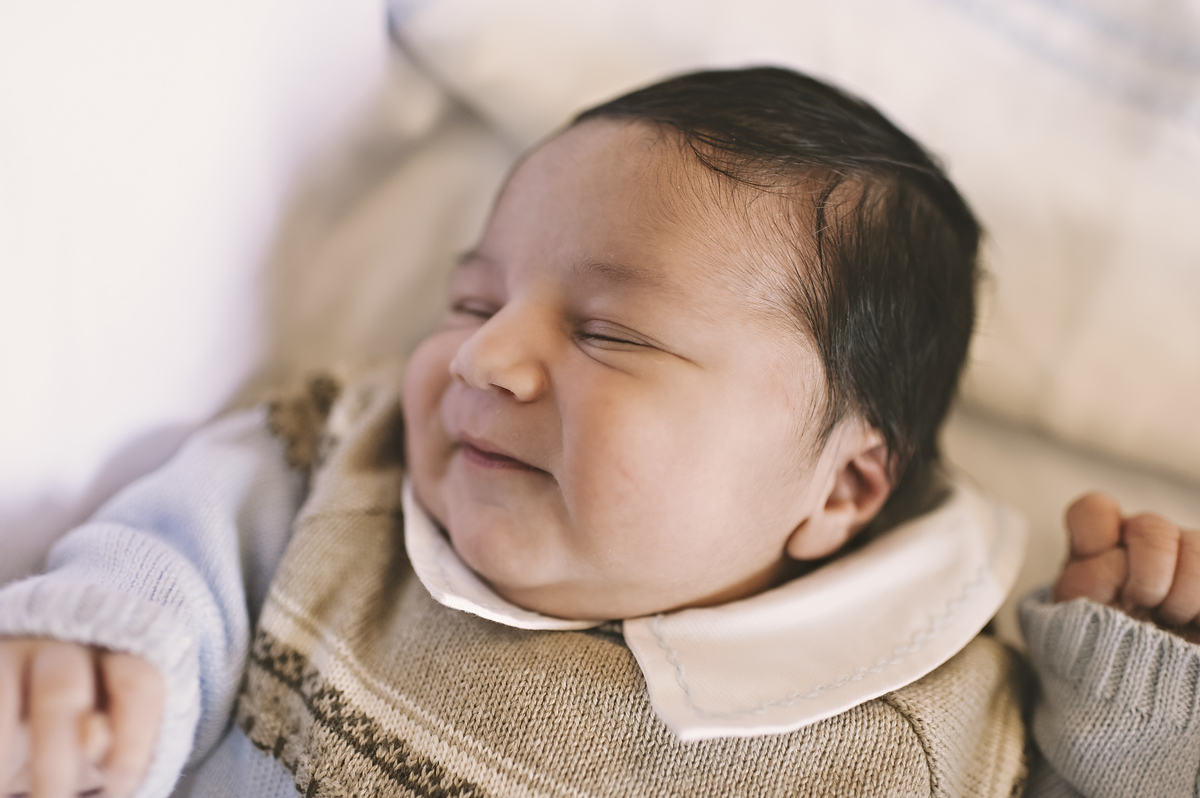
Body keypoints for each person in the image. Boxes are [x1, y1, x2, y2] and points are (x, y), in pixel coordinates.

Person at [0, 67, 1195, 798]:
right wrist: (111, 669)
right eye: (472, 300)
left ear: (841, 490)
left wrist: (1134, 719)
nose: (480, 354)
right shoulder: (349, 470)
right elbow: (187, 551)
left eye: (611, 334)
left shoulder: (931, 724)